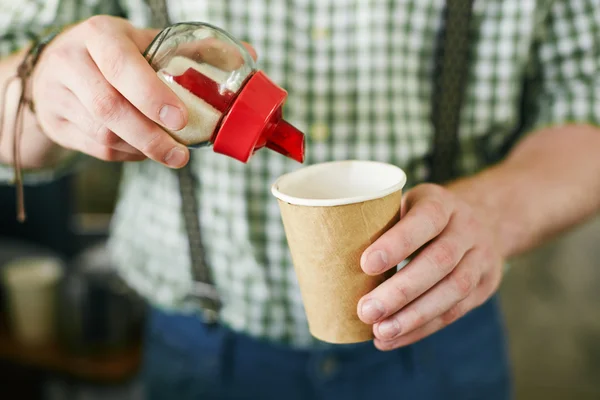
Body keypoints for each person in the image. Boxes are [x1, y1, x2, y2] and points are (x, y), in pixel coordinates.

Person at [1, 0, 599, 399]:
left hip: (441, 348)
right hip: (199, 353)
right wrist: (39, 86)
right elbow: (11, 82)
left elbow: (586, 100)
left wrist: (495, 213)